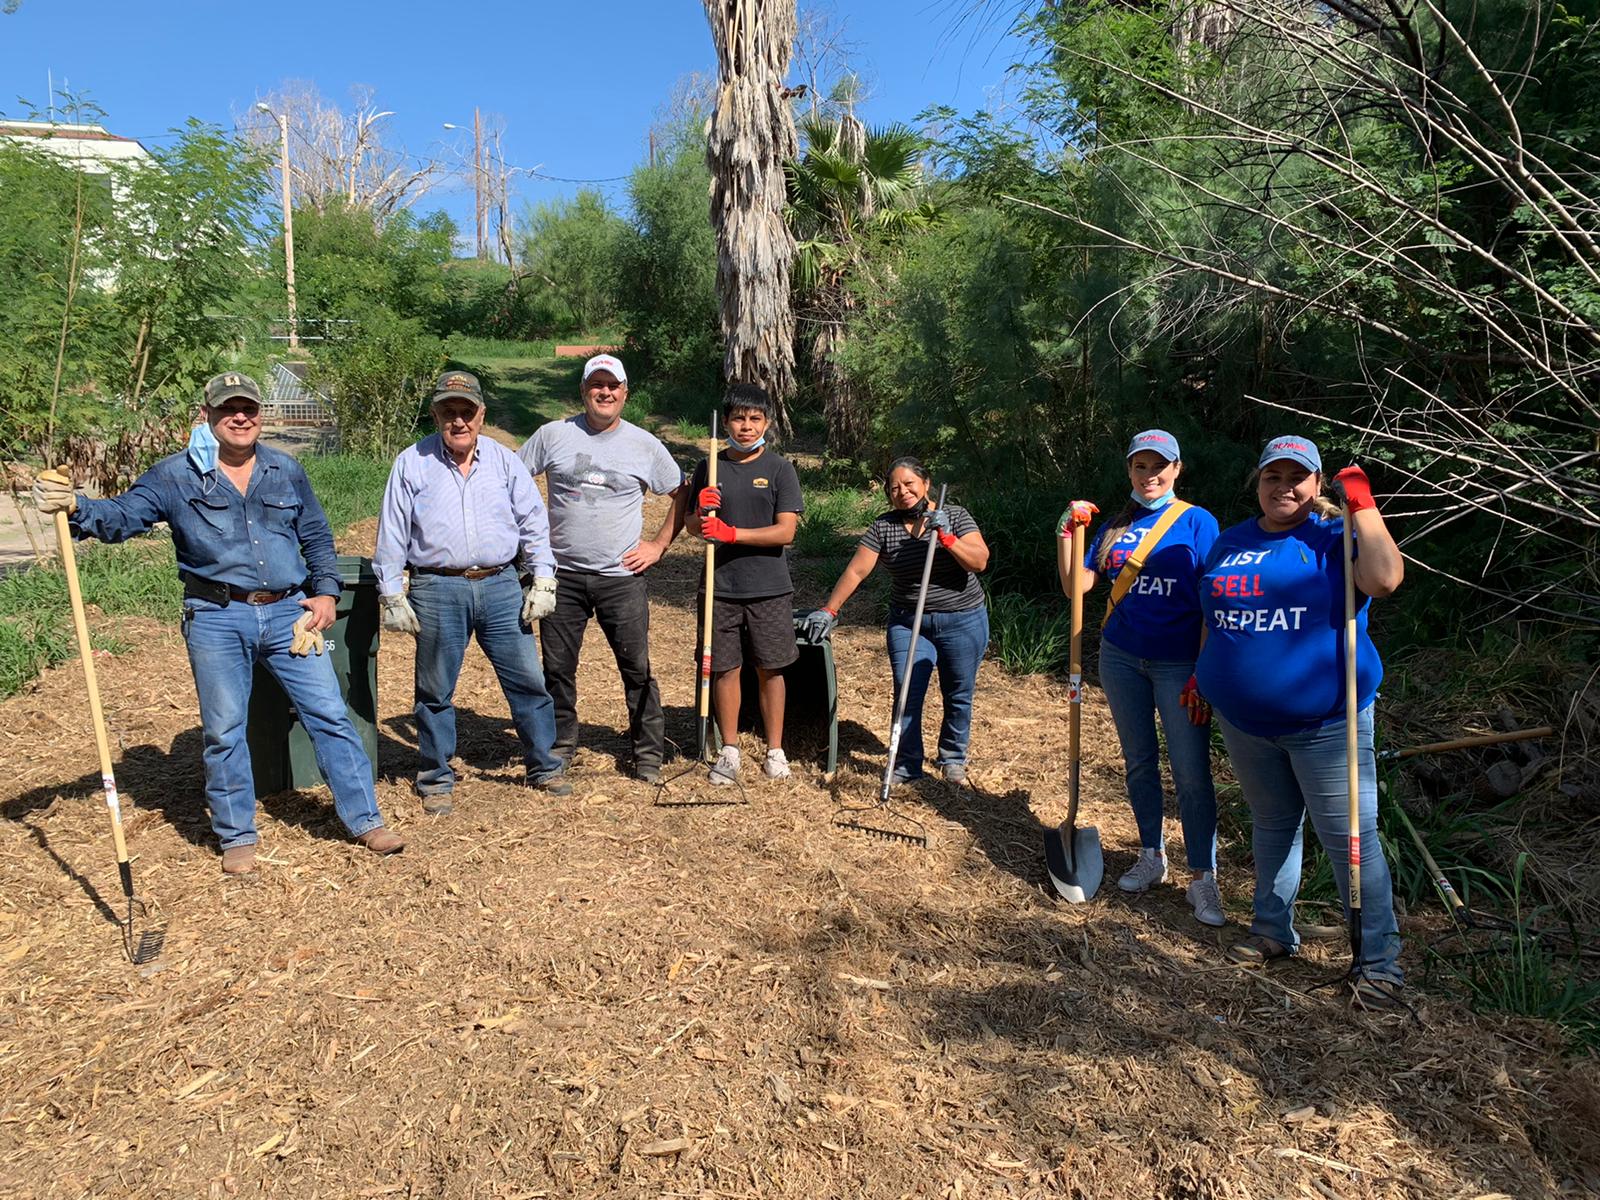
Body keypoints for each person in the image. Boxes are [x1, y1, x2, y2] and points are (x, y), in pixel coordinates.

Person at [32, 372, 404, 875]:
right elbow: (121, 517)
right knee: (225, 730)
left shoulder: (285, 470)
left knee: (330, 715)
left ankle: (366, 821)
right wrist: (75, 506)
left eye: (248, 407)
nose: (240, 416)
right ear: (206, 416)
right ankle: (237, 836)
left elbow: (315, 535)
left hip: (287, 615)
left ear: (260, 415)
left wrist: (325, 593)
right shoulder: (174, 476)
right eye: (228, 408)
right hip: (215, 617)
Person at [1195, 435, 1406, 1009]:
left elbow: (1385, 580)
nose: (1282, 487)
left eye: (1297, 478)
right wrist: (1203, 675)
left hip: (1327, 723)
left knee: (1351, 840)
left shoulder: (1336, 538)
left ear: (1317, 485)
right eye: (1272, 477)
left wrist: (1363, 504)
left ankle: (1379, 962)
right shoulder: (1230, 542)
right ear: (1258, 482)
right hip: (1245, 721)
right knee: (1272, 826)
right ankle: (1271, 931)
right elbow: (1216, 617)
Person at [374, 371, 567, 813]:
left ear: (481, 414)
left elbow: (533, 522)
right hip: (437, 587)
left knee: (527, 682)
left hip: (500, 584)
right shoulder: (412, 462)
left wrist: (543, 577)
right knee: (435, 689)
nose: (458, 421)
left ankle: (543, 765)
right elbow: (392, 531)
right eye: (449, 411)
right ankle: (436, 775)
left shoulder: (504, 461)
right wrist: (391, 593)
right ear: (435, 414)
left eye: (467, 411)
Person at [1059, 430, 1223, 926]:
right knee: (1139, 762)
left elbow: (1213, 600)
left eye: (1159, 466)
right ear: (1129, 470)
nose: (1149, 476)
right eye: (1139, 467)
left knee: (1191, 773)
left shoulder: (1198, 522)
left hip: (1179, 664)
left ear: (1176, 469)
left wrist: (1203, 671)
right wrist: (1066, 534)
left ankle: (1203, 878)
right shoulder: (1114, 526)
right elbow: (1077, 589)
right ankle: (1152, 855)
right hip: (1121, 658)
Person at [517, 354, 686, 784]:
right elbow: (512, 482)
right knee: (556, 668)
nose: (605, 392)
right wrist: (528, 547)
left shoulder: (644, 444)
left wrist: (659, 544)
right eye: (597, 385)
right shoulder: (552, 435)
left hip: (621, 578)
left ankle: (647, 752)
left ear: (625, 393)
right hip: (561, 576)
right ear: (583, 391)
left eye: (613, 386)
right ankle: (561, 744)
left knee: (636, 667)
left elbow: (681, 492)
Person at [804, 458, 990, 785]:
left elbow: (979, 561)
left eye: (909, 484)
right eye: (894, 488)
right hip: (908, 622)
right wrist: (829, 610)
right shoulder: (883, 527)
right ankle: (906, 763)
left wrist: (947, 537)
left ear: (926, 484)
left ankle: (953, 757)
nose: (902, 492)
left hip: (962, 619)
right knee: (906, 692)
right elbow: (857, 570)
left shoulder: (956, 516)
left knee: (958, 691)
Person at [685, 384, 804, 785]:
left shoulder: (779, 469)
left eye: (755, 419)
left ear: (767, 423)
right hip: (720, 587)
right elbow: (691, 527)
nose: (747, 426)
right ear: (727, 423)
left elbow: (785, 532)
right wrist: (701, 512)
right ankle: (730, 750)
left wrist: (732, 533)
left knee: (770, 669)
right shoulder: (711, 467)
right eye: (739, 418)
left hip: (769, 587)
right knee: (724, 668)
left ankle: (775, 750)